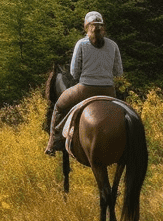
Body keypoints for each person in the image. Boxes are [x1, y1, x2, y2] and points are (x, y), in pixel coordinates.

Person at [44, 11, 123, 155]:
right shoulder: (113, 45)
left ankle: (52, 144)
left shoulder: (81, 44)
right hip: (108, 91)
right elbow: (118, 72)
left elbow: (74, 72)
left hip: (85, 89)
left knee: (58, 107)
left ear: (87, 27)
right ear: (103, 27)